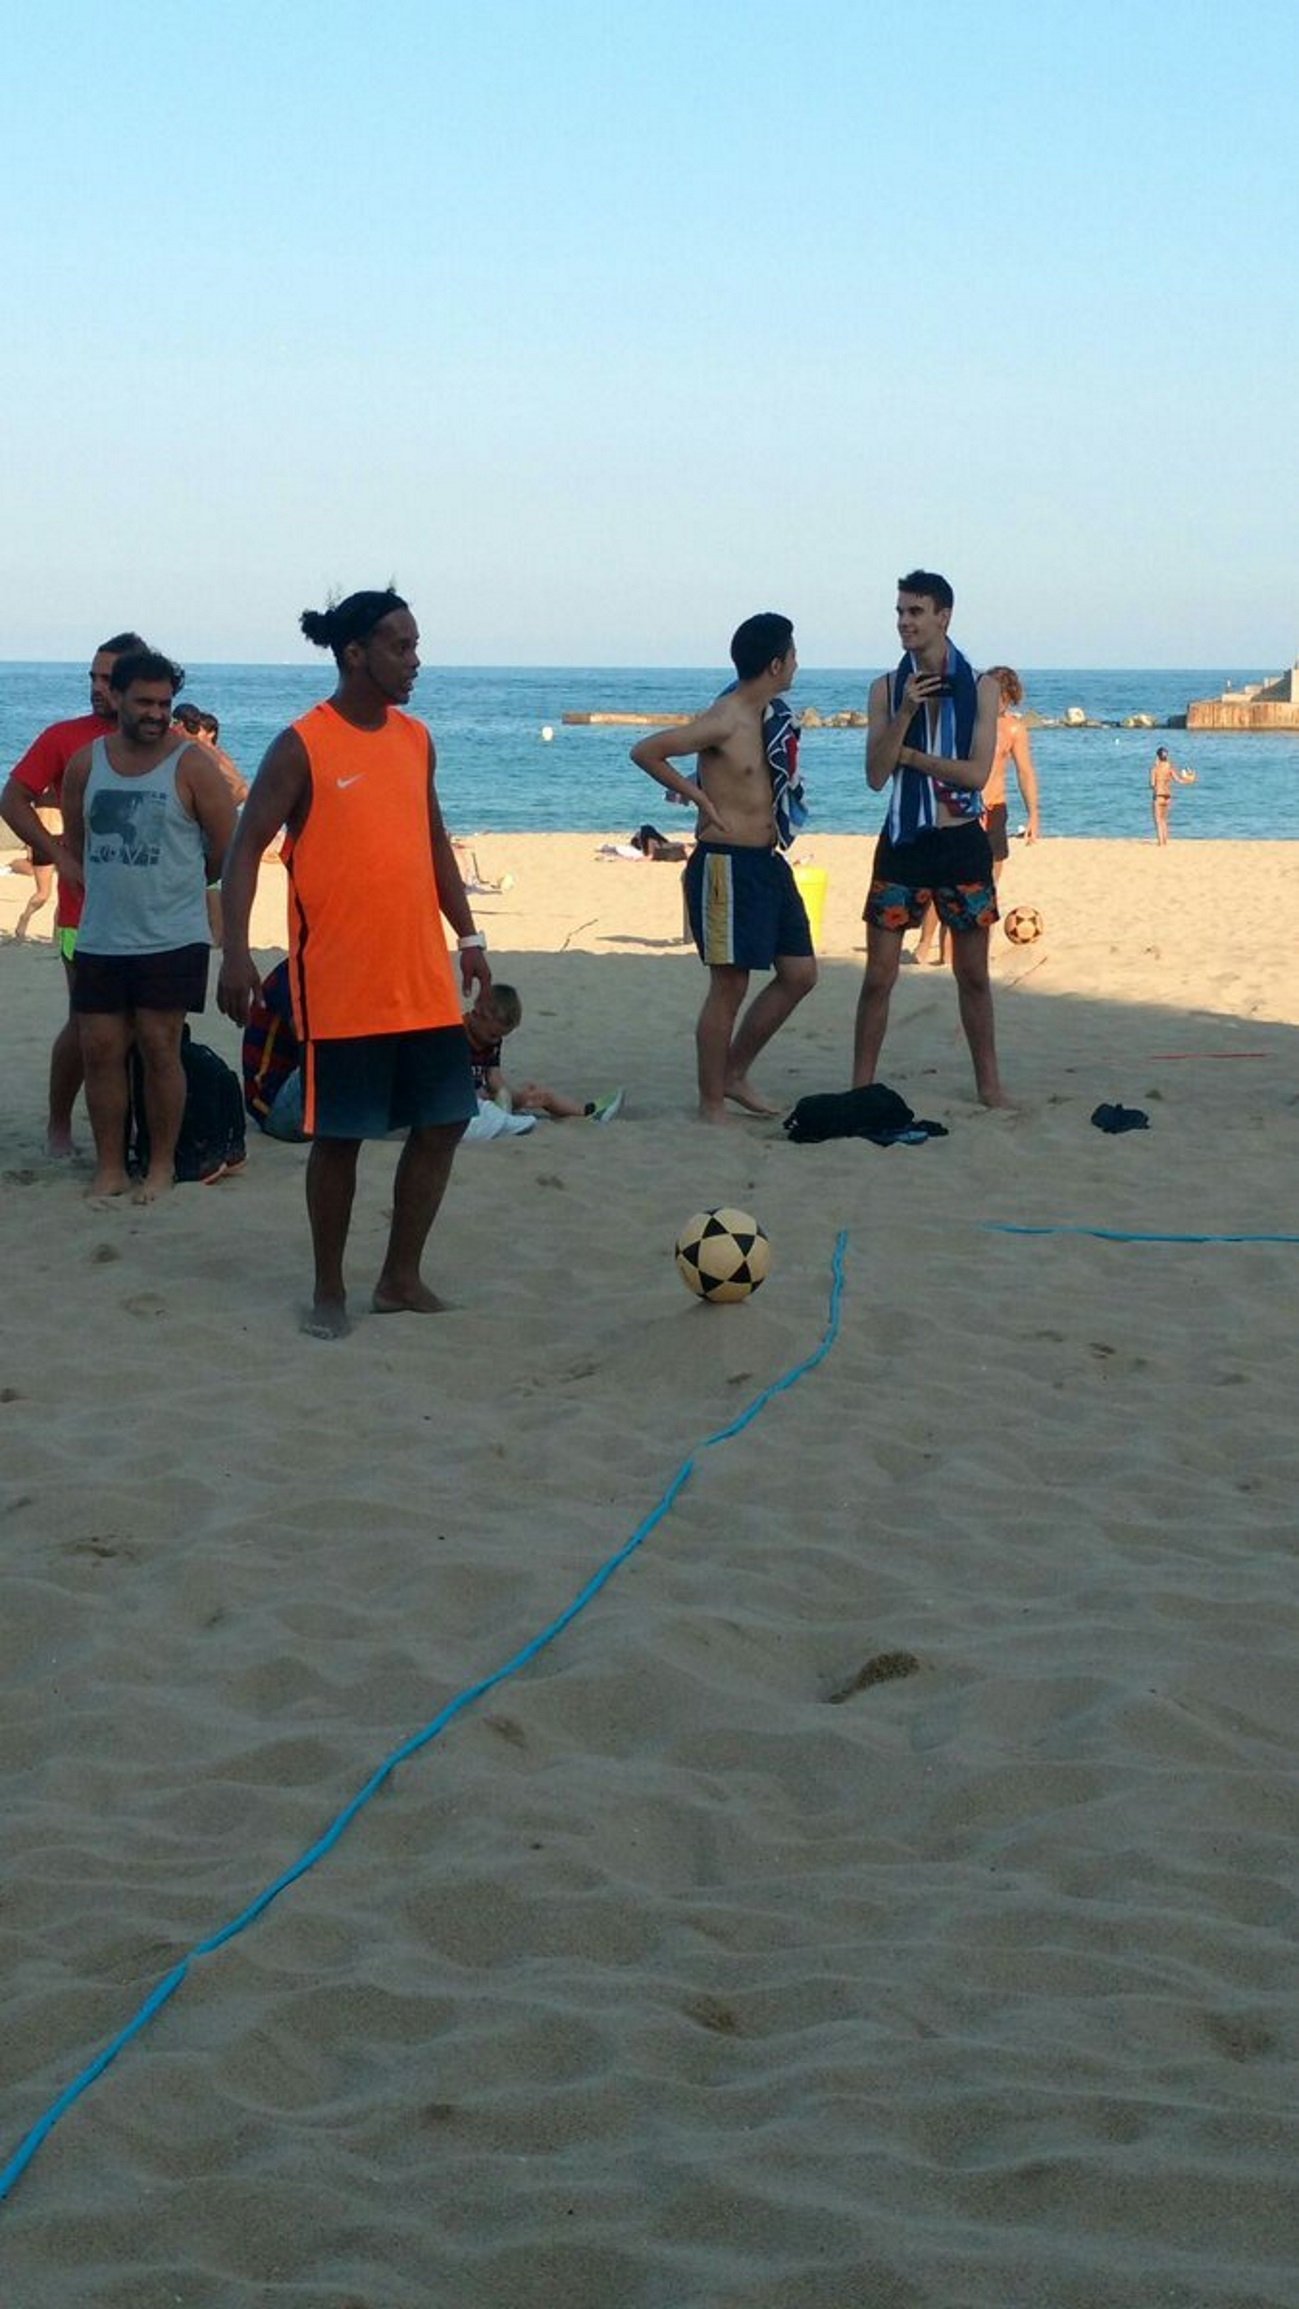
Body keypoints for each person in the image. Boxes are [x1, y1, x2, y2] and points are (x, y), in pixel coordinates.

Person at [217, 588, 489, 1339]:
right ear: (354, 653)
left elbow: (432, 839)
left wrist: (469, 937)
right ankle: (329, 1290)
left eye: (416, 645)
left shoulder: (415, 737)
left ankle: (400, 1279)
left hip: (422, 980)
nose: (415, 661)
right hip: (341, 984)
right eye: (400, 647)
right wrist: (235, 954)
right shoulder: (303, 743)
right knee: (340, 1137)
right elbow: (245, 851)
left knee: (444, 1122)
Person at [61, 650, 238, 1202]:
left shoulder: (192, 765)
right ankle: (110, 1166)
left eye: (164, 703)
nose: (157, 713)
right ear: (116, 698)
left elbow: (226, 849)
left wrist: (182, 884)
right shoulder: (86, 764)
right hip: (102, 934)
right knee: (100, 1049)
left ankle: (160, 1166)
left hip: (171, 935)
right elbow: (77, 840)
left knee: (162, 1047)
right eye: (144, 702)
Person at [630, 612, 815, 1123]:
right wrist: (698, 798)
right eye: (794, 655)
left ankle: (734, 1073)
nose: (798, 664)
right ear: (776, 664)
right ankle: (712, 1101)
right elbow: (646, 751)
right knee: (728, 987)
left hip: (766, 861)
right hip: (725, 866)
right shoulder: (726, 717)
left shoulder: (769, 716)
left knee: (800, 973)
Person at [853, 570, 1008, 1107]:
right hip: (904, 842)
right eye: (899, 612)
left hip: (961, 840)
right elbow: (876, 775)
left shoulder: (983, 688)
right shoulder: (886, 689)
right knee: (879, 976)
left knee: (973, 976)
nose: (904, 622)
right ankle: (861, 1086)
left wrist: (913, 759)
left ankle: (989, 1086)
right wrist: (907, 713)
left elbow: (975, 773)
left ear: (943, 616)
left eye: (915, 612)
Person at [0, 630, 148, 1152]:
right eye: (93, 676)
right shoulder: (65, 738)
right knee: (88, 1022)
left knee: (141, 1029)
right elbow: (13, 797)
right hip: (80, 914)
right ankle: (59, 1122)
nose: (97, 687)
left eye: (108, 678)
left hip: (147, 913)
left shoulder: (158, 736)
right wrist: (56, 853)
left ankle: (135, 1131)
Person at [910, 664, 1040, 964]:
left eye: (1002, 697)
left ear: (1009, 698)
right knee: (945, 882)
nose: (995, 702)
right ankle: (926, 944)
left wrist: (1033, 815)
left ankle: (971, 951)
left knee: (986, 886)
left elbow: (1025, 772)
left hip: (995, 810)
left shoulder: (1013, 729)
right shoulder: (961, 724)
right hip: (960, 810)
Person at [464, 983, 625, 1121]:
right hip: (461, 1099)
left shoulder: (491, 1040)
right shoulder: (456, 1034)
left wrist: (512, 1096)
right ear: (479, 1014)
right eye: (493, 1035)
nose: (495, 1040)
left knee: (540, 1095)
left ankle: (588, 1112)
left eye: (500, 1036)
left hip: (482, 1099)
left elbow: (494, 1078)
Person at [1150, 744, 1195, 845]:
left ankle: (1160, 842)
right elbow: (1179, 780)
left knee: (1158, 820)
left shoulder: (1154, 769)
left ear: (1157, 757)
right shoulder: (1170, 767)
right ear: (1167, 756)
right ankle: (1165, 842)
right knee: (1165, 820)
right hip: (1168, 796)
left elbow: (1152, 784)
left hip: (1158, 796)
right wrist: (1190, 780)